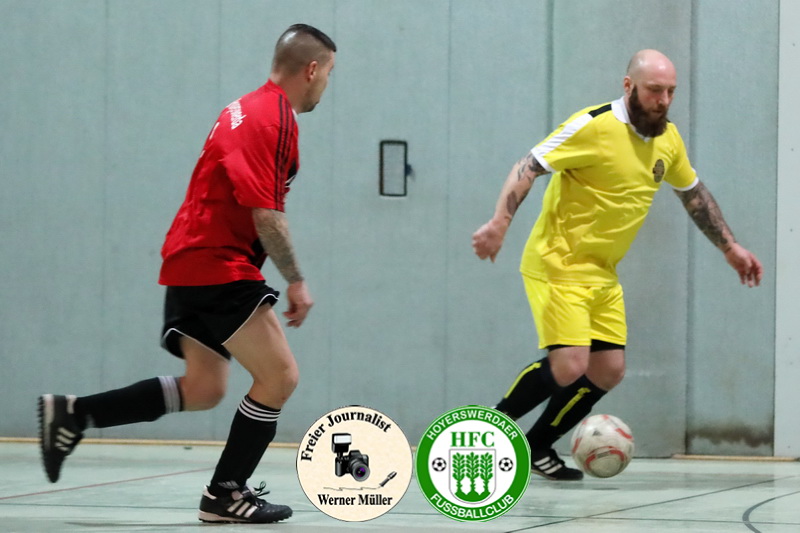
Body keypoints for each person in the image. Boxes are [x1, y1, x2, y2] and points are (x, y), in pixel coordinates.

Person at [38, 24, 336, 523]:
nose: (327, 83)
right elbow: (266, 215)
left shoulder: (243, 107)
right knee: (279, 375)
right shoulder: (275, 119)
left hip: (188, 259)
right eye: (328, 73)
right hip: (218, 264)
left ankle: (75, 413)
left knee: (203, 388)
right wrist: (297, 280)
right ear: (311, 70)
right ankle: (225, 493)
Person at [472, 49, 763, 481]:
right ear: (629, 86)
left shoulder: (668, 139)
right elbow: (528, 166)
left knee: (608, 371)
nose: (663, 100)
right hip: (558, 262)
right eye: (654, 90)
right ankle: (485, 430)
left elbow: (693, 194)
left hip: (602, 272)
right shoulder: (592, 125)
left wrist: (730, 247)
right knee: (570, 364)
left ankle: (536, 445)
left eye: (671, 92)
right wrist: (500, 222)